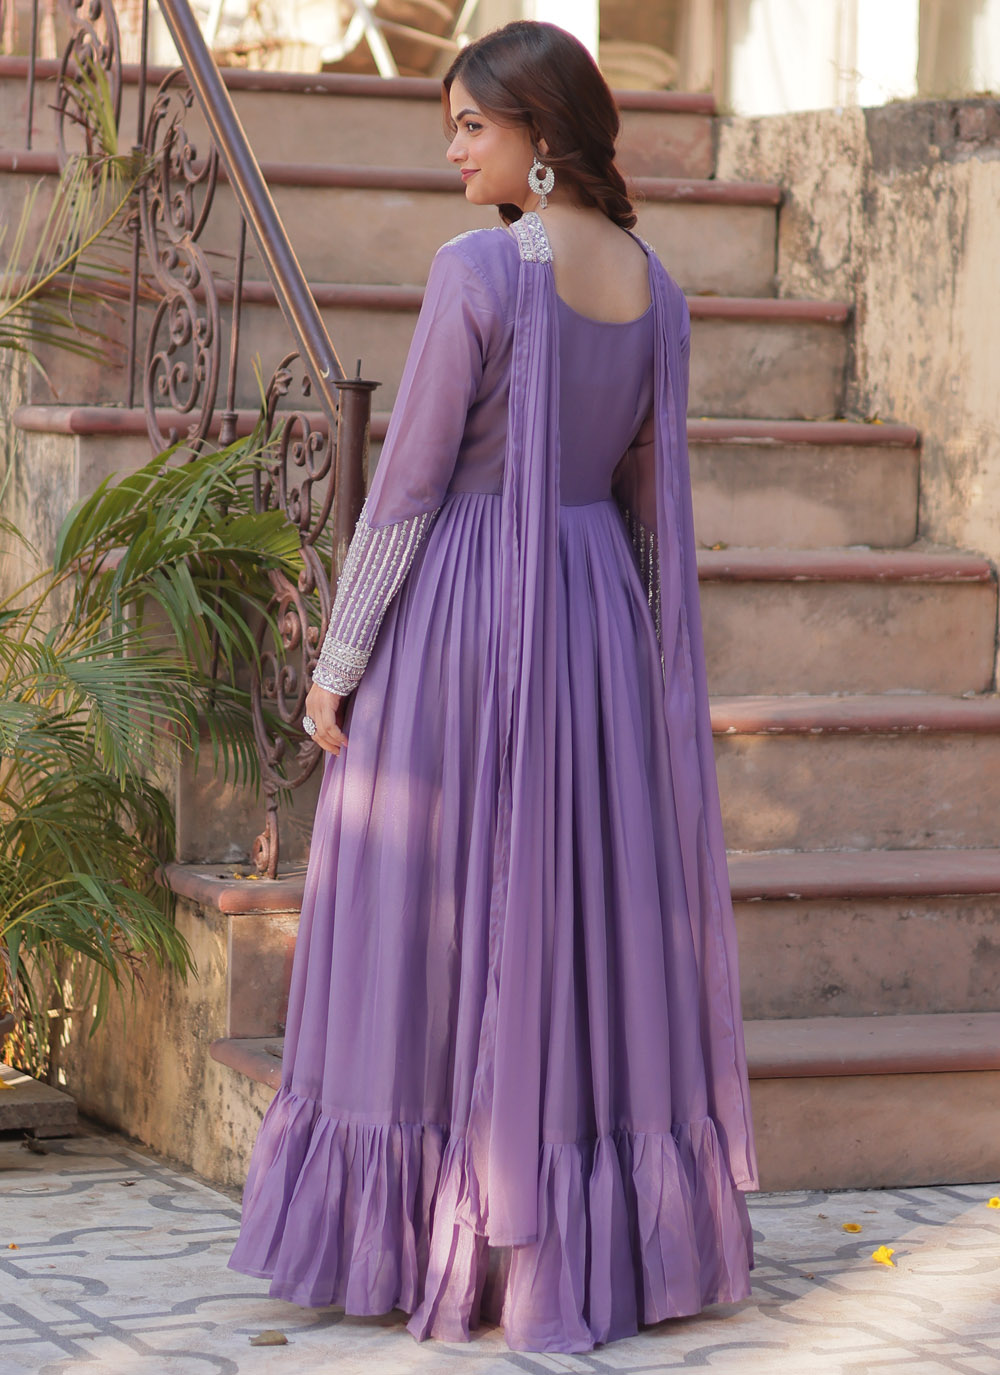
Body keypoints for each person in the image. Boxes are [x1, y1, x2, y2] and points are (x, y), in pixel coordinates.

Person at [228, 19, 757, 1355]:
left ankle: (431, 1232)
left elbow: (407, 491)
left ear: (544, 131)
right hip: (592, 620)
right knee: (566, 926)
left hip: (468, 619)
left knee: (431, 918)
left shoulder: (476, 271)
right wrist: (631, 671)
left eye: (473, 126)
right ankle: (566, 1232)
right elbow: (646, 506)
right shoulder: (656, 288)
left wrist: (337, 664)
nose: (456, 151)